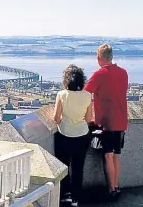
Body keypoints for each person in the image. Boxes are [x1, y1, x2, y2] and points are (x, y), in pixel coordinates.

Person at [84, 43, 129, 199]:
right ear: (111, 56)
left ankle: (112, 189)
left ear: (99, 58)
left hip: (107, 121)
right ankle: (116, 186)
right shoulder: (123, 73)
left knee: (108, 155)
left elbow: (84, 93)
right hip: (122, 120)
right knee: (116, 155)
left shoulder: (100, 74)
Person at [53, 64, 93, 207]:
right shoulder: (88, 96)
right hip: (82, 136)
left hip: (64, 135)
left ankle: (65, 196)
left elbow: (56, 118)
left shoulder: (61, 95)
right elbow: (88, 119)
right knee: (78, 167)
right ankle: (76, 198)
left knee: (64, 166)